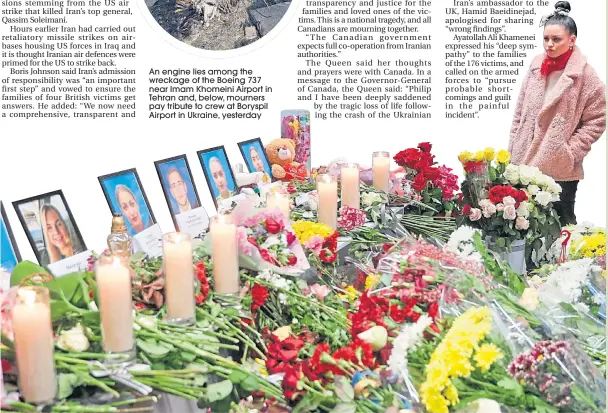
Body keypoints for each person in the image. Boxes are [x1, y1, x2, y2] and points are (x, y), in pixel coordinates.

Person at [508, 1, 606, 226]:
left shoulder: (586, 77)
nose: (549, 45)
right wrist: (513, 145)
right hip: (524, 164)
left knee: (561, 226)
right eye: (546, 39)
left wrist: (569, 152)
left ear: (572, 40)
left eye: (556, 39)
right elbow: (520, 111)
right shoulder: (536, 66)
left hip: (559, 168)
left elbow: (597, 120)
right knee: (523, 226)